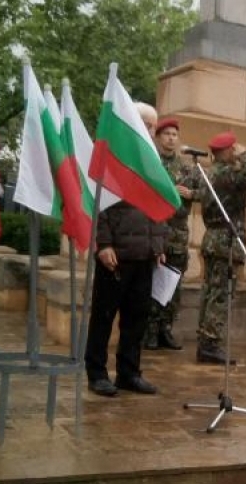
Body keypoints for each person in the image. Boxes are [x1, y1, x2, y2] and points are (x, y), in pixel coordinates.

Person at [84, 102, 167, 396]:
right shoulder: (113, 156)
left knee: (136, 317)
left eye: (153, 126)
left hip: (144, 254)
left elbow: (157, 207)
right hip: (116, 254)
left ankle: (128, 373)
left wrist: (158, 245)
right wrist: (103, 244)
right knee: (104, 315)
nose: (151, 131)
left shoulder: (150, 160)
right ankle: (96, 373)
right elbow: (98, 206)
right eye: (146, 124)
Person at [196, 131, 246, 364]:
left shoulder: (210, 173)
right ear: (227, 151)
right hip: (225, 241)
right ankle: (211, 343)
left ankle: (206, 340)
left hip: (214, 238)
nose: (237, 152)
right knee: (220, 294)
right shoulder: (225, 174)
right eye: (234, 149)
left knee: (211, 292)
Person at [143, 117, 204, 351]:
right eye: (166, 134)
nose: (171, 138)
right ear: (158, 137)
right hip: (155, 230)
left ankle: (165, 329)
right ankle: (149, 330)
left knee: (173, 283)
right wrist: (169, 187)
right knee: (153, 281)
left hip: (177, 233)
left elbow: (204, 192)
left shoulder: (187, 167)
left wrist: (191, 195)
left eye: (174, 135)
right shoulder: (153, 163)